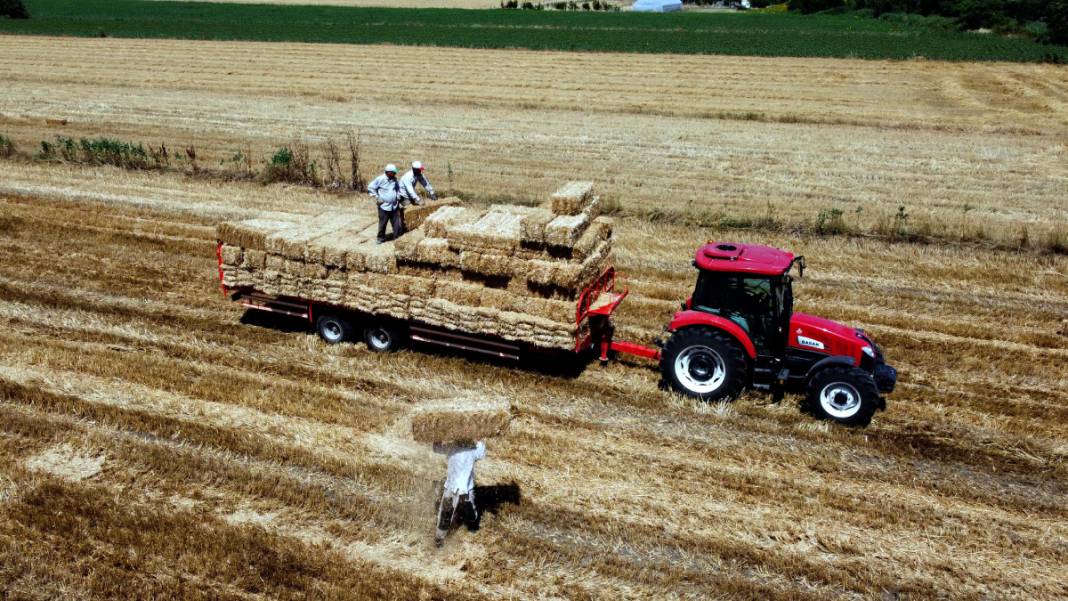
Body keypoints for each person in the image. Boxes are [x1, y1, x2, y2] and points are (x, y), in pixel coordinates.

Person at [433, 439, 485, 547]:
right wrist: (436, 436)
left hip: (465, 488)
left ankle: (472, 523)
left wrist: (480, 437)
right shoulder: (452, 447)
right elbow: (437, 448)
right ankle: (439, 538)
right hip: (451, 487)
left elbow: (482, 451)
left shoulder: (472, 449)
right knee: (445, 513)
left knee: (468, 511)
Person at [368, 164, 403, 243]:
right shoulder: (380, 179)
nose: (395, 174)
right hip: (384, 206)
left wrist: (398, 196)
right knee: (383, 224)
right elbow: (370, 187)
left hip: (394, 206)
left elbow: (397, 189)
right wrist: (377, 197)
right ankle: (380, 238)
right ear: (388, 172)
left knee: (396, 224)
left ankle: (396, 238)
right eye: (394, 172)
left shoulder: (394, 180)